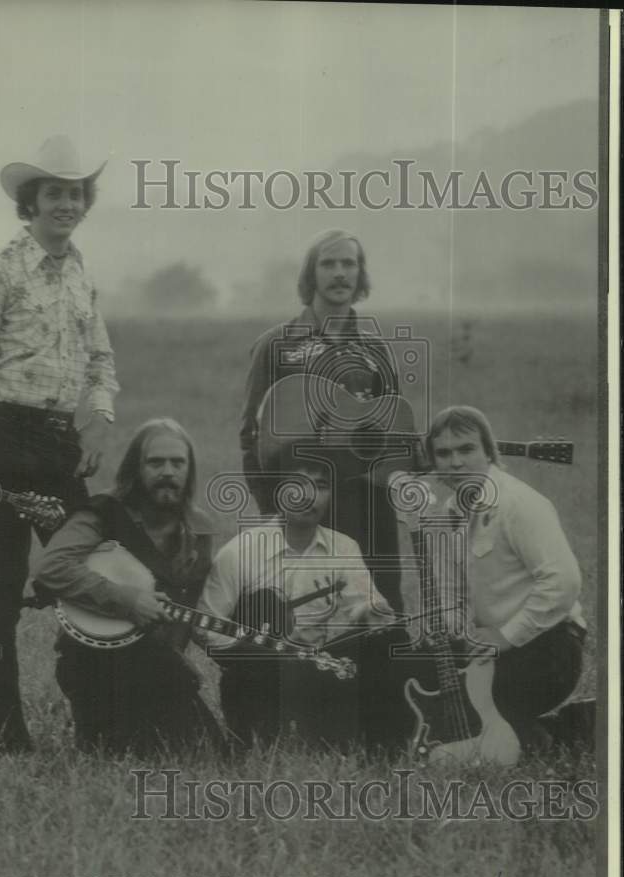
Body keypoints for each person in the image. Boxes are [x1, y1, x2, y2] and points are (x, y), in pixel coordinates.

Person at [0, 135, 120, 753]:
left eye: (75, 193)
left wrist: (98, 420)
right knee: (0, 591)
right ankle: (3, 737)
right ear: (31, 201)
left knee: (89, 572)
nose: (66, 204)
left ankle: (101, 722)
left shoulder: (80, 274)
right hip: (1, 438)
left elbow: (101, 359)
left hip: (58, 443)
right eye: (54, 193)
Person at [238, 229, 409, 612]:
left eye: (349, 263)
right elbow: (251, 435)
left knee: (380, 609)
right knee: (314, 612)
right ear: (310, 274)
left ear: (360, 274)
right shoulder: (276, 344)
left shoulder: (376, 349)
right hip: (305, 505)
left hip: (370, 506)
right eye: (328, 263)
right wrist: (272, 510)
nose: (339, 273)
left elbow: (391, 434)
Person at [33, 419, 222, 754]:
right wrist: (127, 599)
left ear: (189, 471)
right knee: (117, 751)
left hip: (161, 668)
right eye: (155, 462)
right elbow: (51, 567)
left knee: (211, 752)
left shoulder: (199, 528)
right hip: (93, 660)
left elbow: (193, 609)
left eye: (178, 463)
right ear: (136, 467)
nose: (168, 472)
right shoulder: (104, 513)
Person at [196, 454, 396, 748]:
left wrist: (372, 613)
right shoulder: (240, 551)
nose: (309, 496)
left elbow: (366, 604)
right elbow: (205, 625)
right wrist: (250, 647)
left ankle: (382, 738)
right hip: (257, 671)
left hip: (314, 665)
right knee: (253, 666)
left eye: (321, 485)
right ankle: (255, 733)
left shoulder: (343, 547)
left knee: (383, 642)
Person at [425, 405, 587, 751]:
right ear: (434, 463)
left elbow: (564, 582)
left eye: (467, 449)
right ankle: (522, 728)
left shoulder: (518, 504)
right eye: (444, 453)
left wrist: (505, 636)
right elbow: (451, 593)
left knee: (469, 717)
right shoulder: (448, 514)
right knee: (425, 692)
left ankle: (567, 732)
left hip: (549, 647)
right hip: (491, 651)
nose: (456, 463)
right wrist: (459, 641)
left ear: (489, 452)